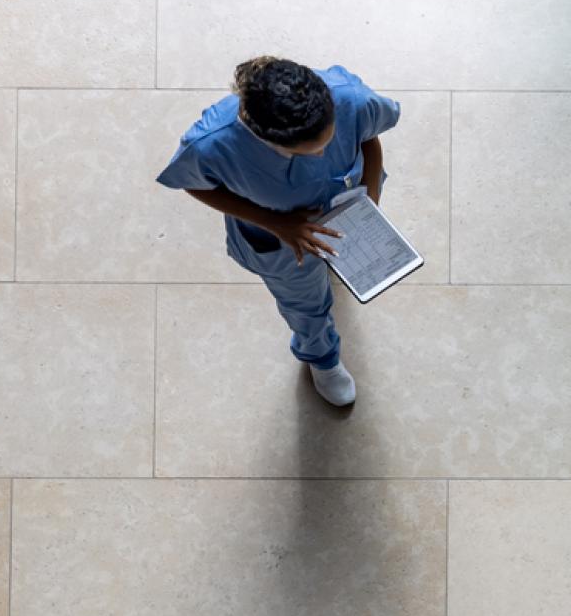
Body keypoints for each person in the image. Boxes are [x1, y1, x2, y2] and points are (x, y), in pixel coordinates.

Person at [157, 56, 401, 406]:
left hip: (350, 206)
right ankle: (322, 359)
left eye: (329, 141)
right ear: (263, 139)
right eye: (310, 151)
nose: (323, 155)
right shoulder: (213, 146)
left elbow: (369, 135)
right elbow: (194, 184)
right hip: (282, 242)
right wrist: (277, 224)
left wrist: (371, 197)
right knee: (305, 305)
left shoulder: (351, 98)